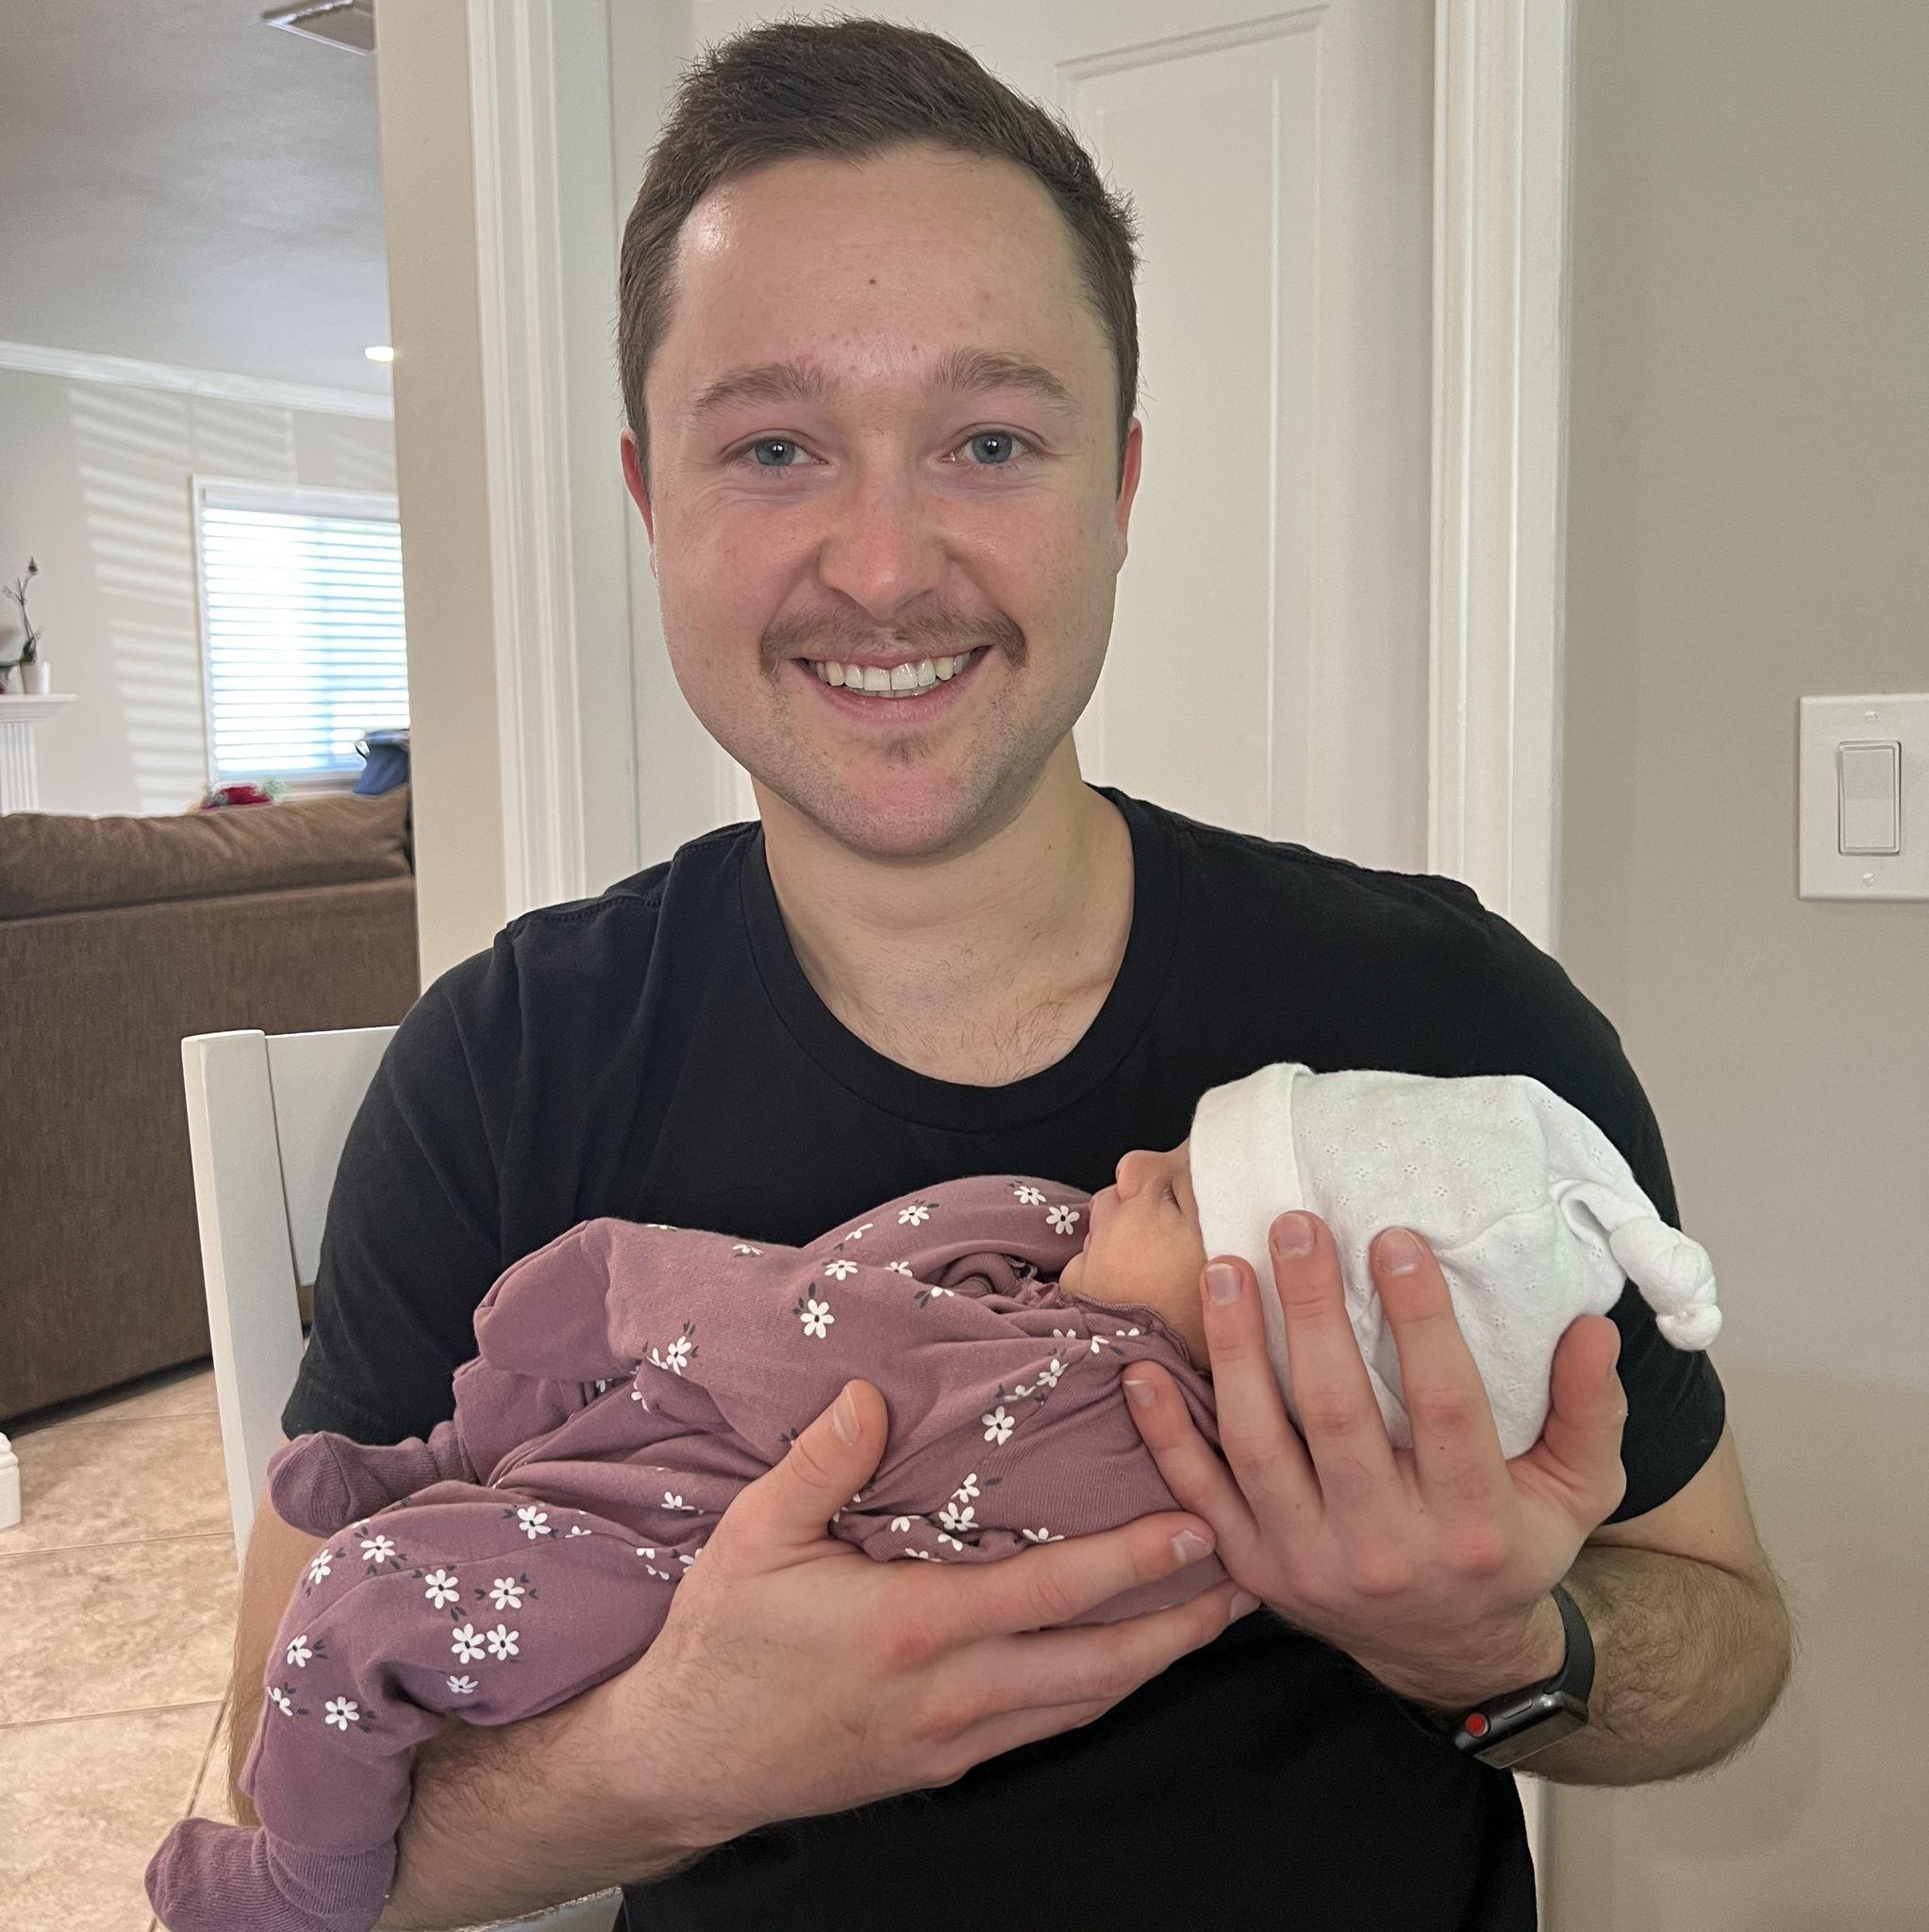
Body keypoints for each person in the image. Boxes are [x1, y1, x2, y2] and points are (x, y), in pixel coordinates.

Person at [226, 18, 1792, 1931]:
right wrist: (673, 1754)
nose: (885, 567)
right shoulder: (505, 1066)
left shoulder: (1446, 1040)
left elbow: (1726, 1632)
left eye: (987, 441)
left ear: (1120, 485)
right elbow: (275, 1786)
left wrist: (1493, 1635)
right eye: (778, 444)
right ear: (650, 501)